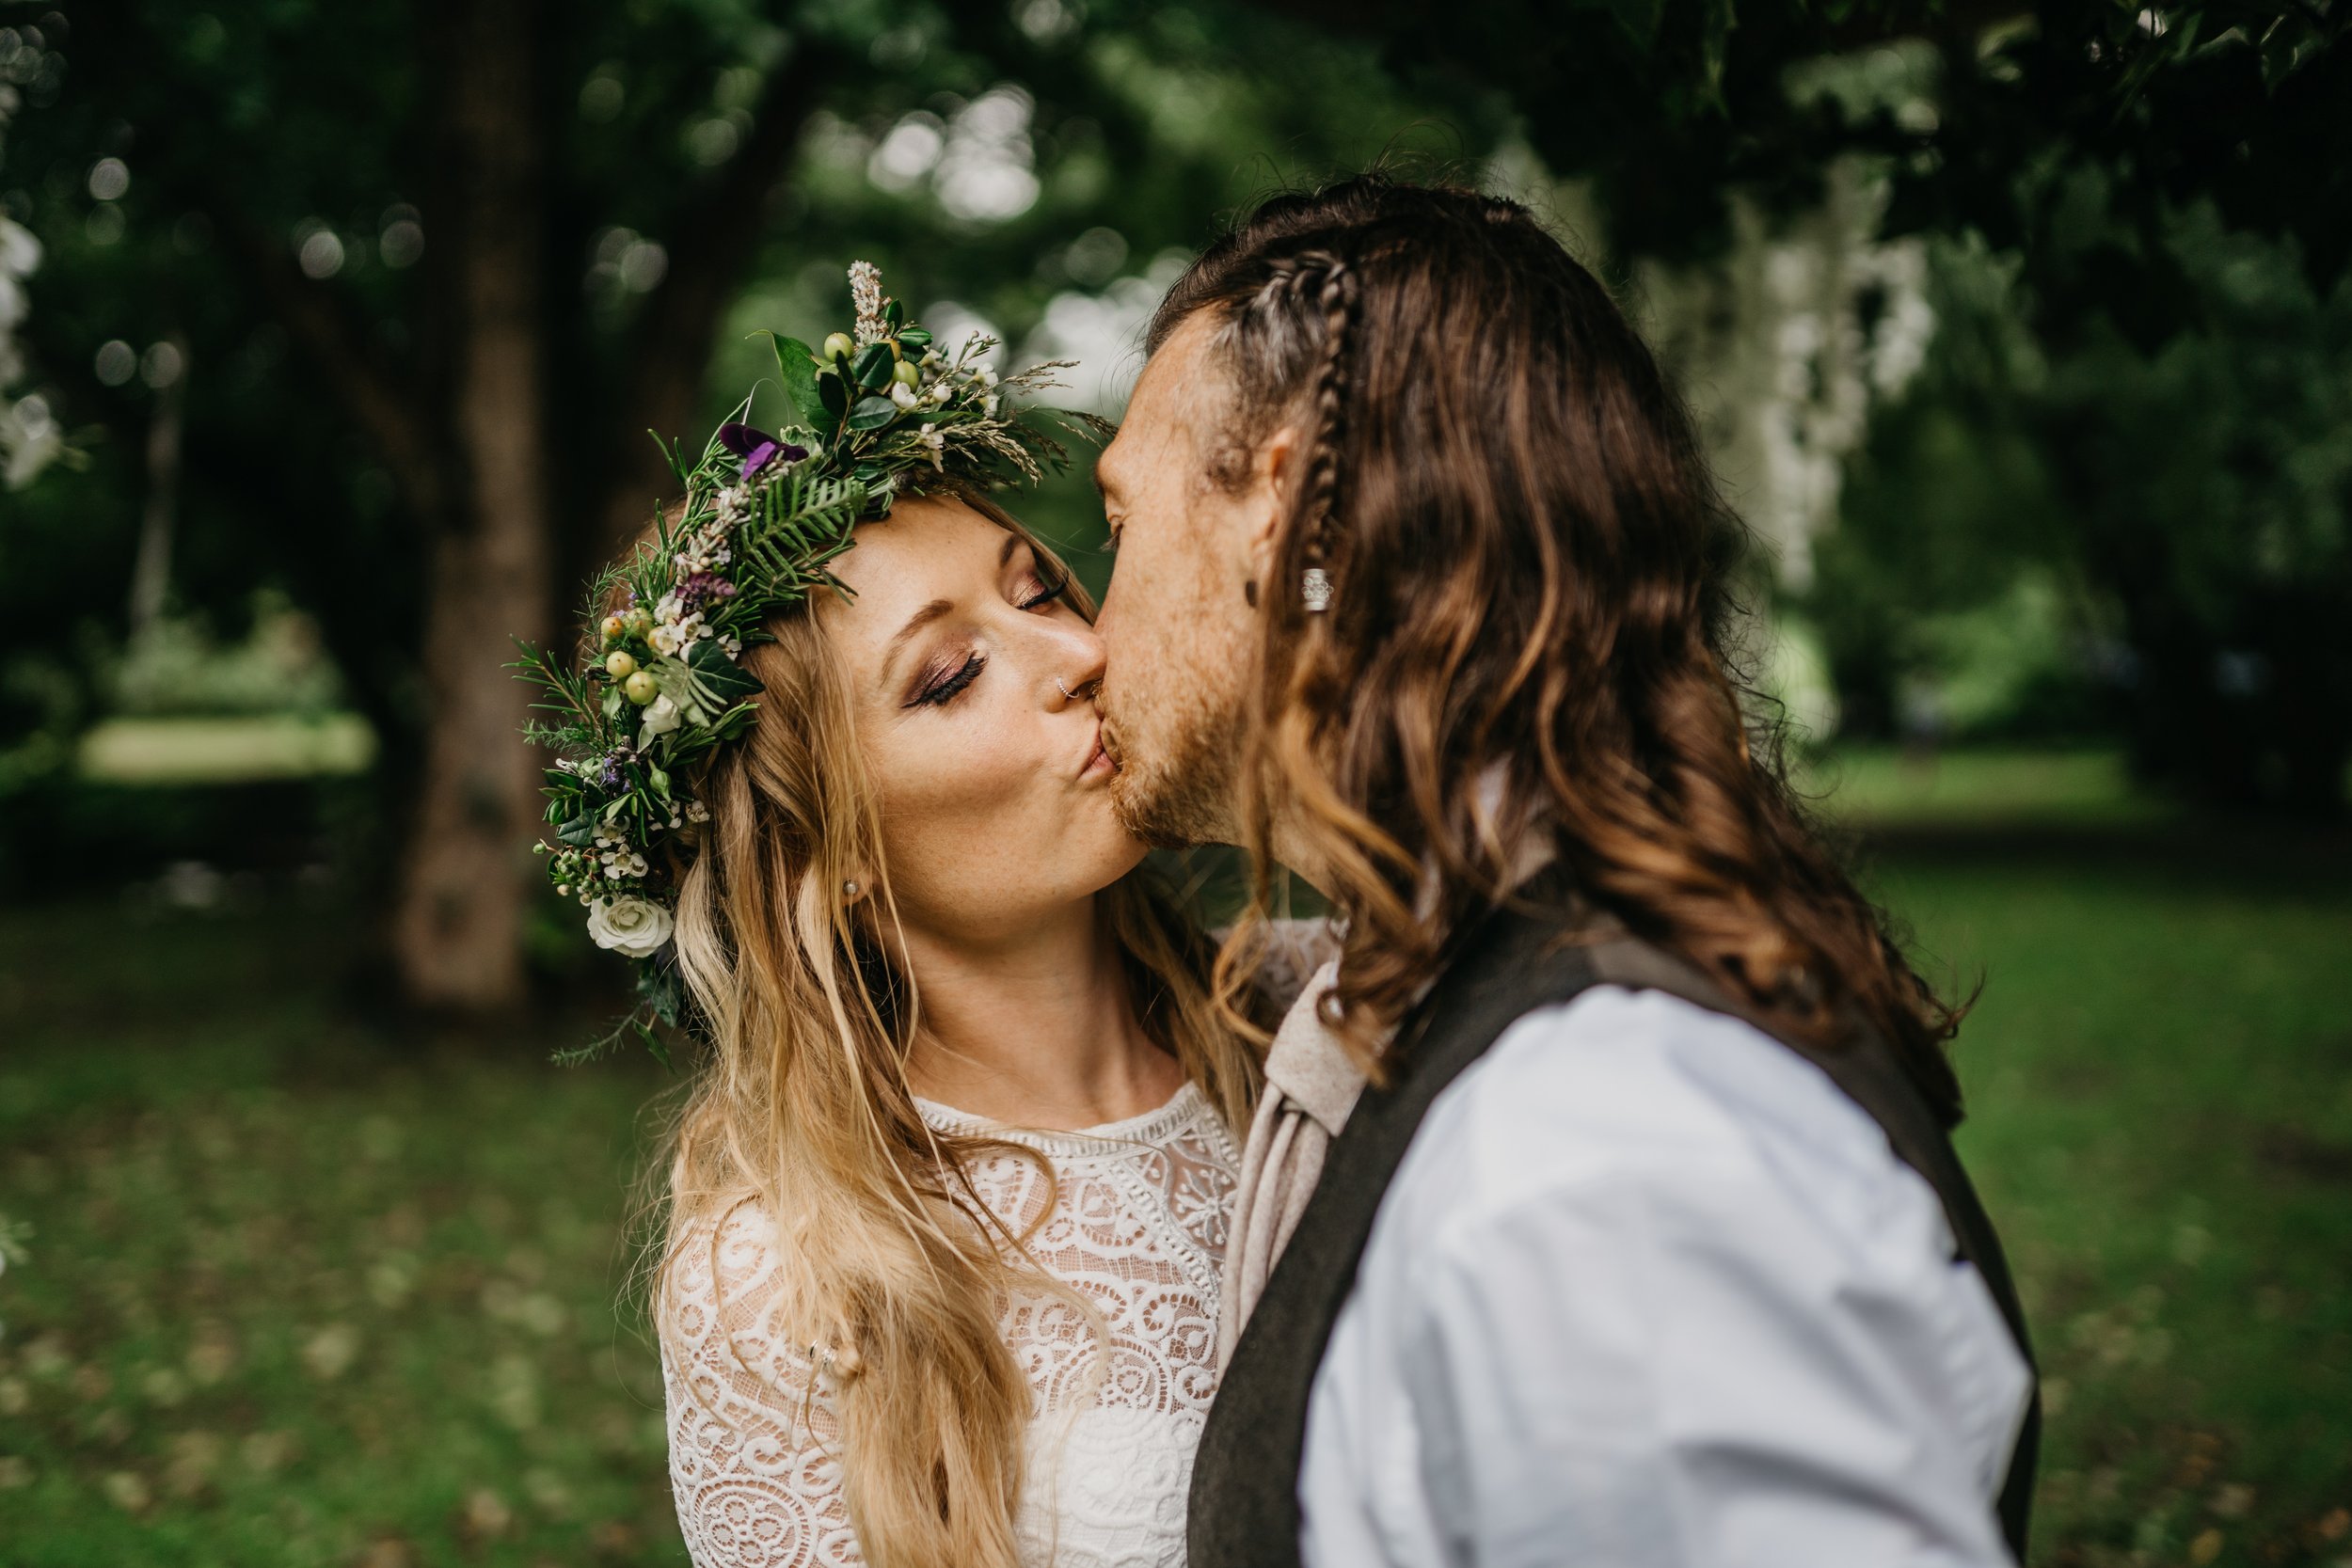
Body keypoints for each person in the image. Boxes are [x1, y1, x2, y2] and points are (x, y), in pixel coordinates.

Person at [1088, 176, 2041, 1567]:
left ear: (1286, 510)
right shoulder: (1472, 1001)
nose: (1089, 630)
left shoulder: (1606, 1158)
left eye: (1119, 521)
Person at [517, 266, 1301, 1568]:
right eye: (949, 677)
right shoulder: (787, 1287)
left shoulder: (1317, 1019)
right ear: (837, 861)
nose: (1078, 658)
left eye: (1040, 591)